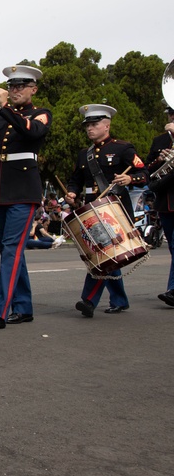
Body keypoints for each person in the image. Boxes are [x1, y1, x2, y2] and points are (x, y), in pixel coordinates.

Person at [0, 65, 52, 328]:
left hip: (23, 191)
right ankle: (24, 307)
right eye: (11, 86)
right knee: (9, 250)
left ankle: (0, 311)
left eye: (20, 86)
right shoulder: (0, 118)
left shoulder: (40, 114)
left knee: (12, 250)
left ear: (33, 89)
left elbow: (32, 133)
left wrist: (5, 107)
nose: (14, 91)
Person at [65, 103, 147, 317]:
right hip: (92, 210)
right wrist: (71, 193)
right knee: (108, 255)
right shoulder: (84, 155)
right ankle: (119, 300)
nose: (89, 128)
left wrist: (130, 178)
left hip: (115, 208)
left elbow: (144, 172)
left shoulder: (123, 148)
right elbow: (75, 180)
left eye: (94, 124)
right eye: (87, 125)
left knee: (103, 254)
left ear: (107, 125)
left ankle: (89, 300)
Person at [146, 105, 174, 307]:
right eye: (171, 115)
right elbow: (148, 170)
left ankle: (173, 289)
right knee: (172, 247)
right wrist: (160, 159)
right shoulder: (160, 141)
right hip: (166, 201)